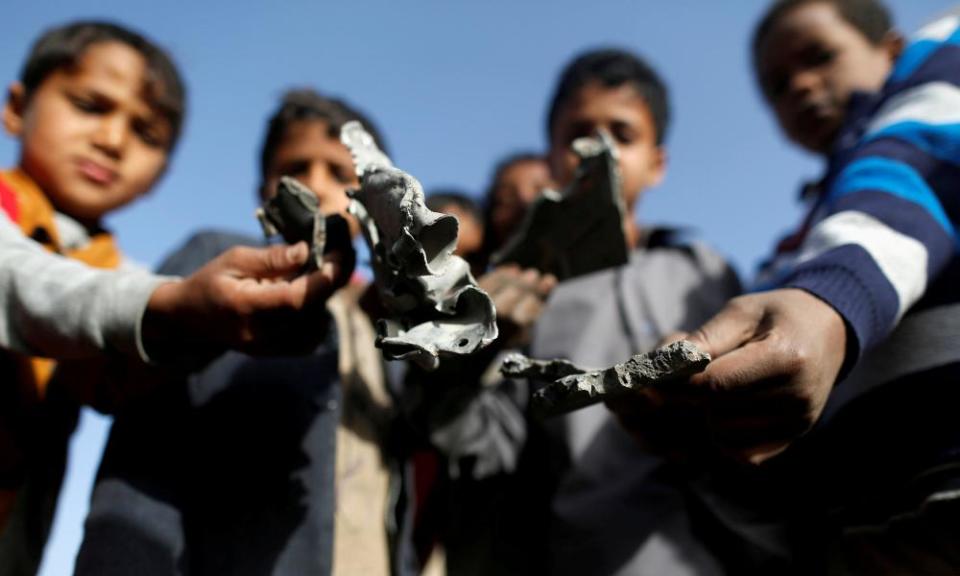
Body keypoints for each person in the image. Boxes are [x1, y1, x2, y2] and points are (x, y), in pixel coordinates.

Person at [615, 1, 960, 572]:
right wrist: (704, 440)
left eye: (820, 56)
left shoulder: (942, 62)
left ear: (892, 49)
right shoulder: (792, 253)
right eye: (777, 86)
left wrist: (831, 300)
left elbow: (916, 158)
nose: (800, 86)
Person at [0, 22, 349, 575]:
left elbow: (113, 380)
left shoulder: (116, 273)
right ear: (16, 107)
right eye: (91, 106)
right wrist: (168, 308)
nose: (112, 141)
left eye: (146, 134)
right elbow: (22, 282)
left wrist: (206, 333)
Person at [76, 88, 392, 576]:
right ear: (264, 193)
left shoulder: (385, 323)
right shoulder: (215, 263)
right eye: (295, 169)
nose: (316, 186)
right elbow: (147, 440)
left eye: (340, 174)